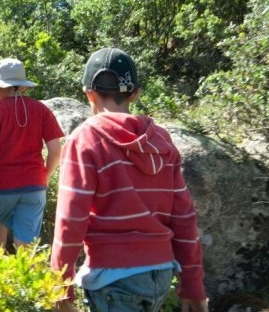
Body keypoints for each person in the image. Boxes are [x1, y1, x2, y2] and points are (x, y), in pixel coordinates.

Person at [50, 47, 208, 312]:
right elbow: (184, 217)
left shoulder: (86, 138)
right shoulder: (162, 140)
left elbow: (71, 219)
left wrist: (58, 285)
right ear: (135, 94)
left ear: (88, 93)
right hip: (160, 274)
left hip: (113, 278)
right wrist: (193, 287)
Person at [0, 58, 64, 248]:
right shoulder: (41, 110)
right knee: (26, 239)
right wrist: (44, 177)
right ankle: (26, 274)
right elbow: (56, 151)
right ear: (22, 87)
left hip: (2, 185)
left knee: (0, 222)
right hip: (35, 185)